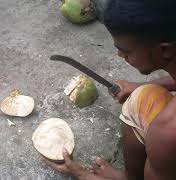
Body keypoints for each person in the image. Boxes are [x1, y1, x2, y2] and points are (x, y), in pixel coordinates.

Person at [44, 0, 176, 179]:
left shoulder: (167, 132)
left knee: (138, 101)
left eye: (126, 51)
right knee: (144, 94)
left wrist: (81, 174)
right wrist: (139, 86)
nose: (120, 55)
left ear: (164, 50)